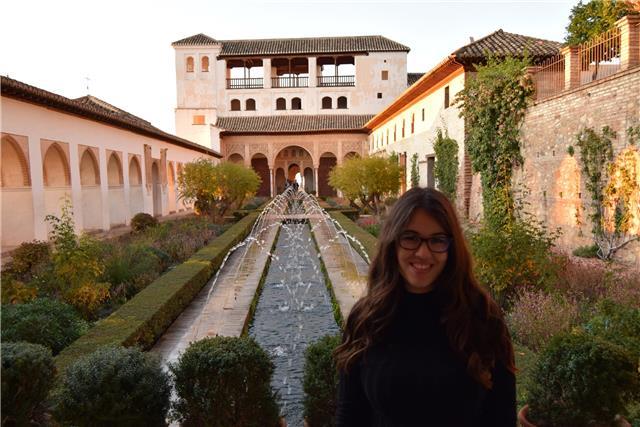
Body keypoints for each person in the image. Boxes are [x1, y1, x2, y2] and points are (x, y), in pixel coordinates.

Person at [334, 187, 516, 426]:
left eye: (437, 240)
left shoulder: (482, 318)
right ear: (393, 242)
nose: (422, 252)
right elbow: (350, 415)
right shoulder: (367, 318)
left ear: (451, 247)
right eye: (410, 238)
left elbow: (501, 416)